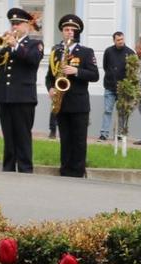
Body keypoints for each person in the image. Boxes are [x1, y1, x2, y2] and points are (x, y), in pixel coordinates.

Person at [0, 8, 43, 173]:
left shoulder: (34, 44)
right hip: (4, 96)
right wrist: (0, 46)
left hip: (23, 97)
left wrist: (15, 45)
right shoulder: (6, 43)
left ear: (27, 25)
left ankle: (25, 169)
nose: (15, 26)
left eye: (18, 23)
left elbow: (33, 60)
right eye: (13, 24)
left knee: (23, 135)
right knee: (8, 136)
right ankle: (8, 167)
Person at [45, 14, 99, 177]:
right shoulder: (56, 51)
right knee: (65, 139)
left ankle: (77, 171)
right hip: (61, 101)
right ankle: (65, 169)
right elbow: (49, 76)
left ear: (77, 33)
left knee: (79, 140)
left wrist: (76, 71)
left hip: (79, 102)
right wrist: (50, 89)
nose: (69, 32)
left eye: (72, 30)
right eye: (66, 29)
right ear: (62, 31)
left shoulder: (86, 52)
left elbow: (95, 75)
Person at [100, 32, 135, 141]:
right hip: (110, 86)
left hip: (123, 88)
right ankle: (104, 133)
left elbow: (132, 70)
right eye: (118, 40)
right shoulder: (108, 51)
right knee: (107, 110)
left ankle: (120, 134)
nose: (121, 42)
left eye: (122, 39)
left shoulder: (130, 52)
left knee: (122, 112)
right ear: (114, 40)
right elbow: (105, 66)